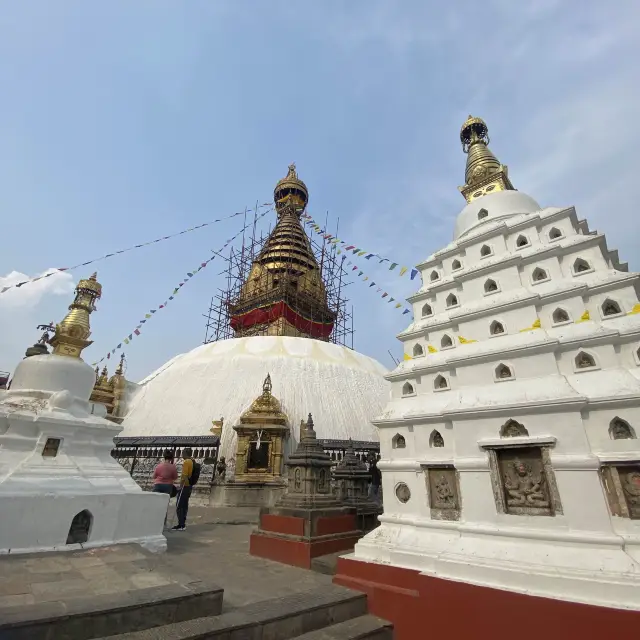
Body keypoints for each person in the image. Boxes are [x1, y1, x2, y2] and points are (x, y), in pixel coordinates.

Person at [173, 447, 201, 531]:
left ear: (185, 453)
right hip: (189, 486)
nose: (182, 454)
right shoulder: (192, 461)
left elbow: (184, 475)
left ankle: (181, 524)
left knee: (179, 505)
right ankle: (182, 523)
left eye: (183, 453)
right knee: (184, 505)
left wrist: (181, 486)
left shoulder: (186, 462)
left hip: (185, 485)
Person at [152, 450, 178, 528]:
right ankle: (162, 523)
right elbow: (175, 477)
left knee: (156, 504)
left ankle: (154, 521)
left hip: (158, 485)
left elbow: (154, 476)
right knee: (165, 505)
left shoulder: (159, 466)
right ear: (171, 458)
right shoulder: (172, 467)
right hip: (168, 486)